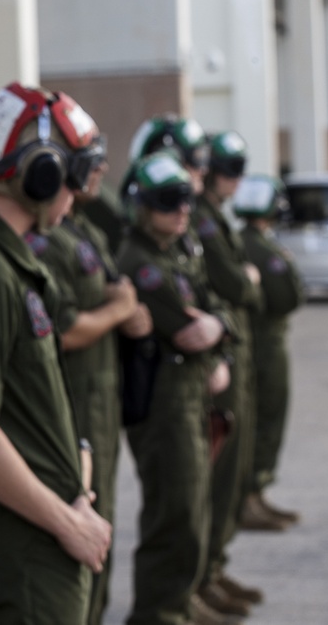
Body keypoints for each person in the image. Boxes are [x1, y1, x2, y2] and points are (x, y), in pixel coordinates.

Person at [0, 81, 112, 624]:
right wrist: (67, 521)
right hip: (22, 550)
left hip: (35, 541)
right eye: (73, 178)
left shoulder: (5, 261)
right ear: (42, 173)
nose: (76, 196)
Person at [34, 134, 153, 624]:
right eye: (90, 163)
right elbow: (65, 330)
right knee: (76, 542)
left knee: (102, 531)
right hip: (75, 407)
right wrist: (120, 309)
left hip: (101, 404)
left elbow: (113, 295)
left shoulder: (82, 230)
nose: (101, 170)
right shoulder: (44, 240)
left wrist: (123, 310)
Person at [115, 152, 234, 625]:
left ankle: (180, 603)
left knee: (193, 508)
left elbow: (217, 309)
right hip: (164, 404)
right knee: (174, 514)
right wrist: (215, 331)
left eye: (186, 200)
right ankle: (159, 613)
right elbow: (183, 325)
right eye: (169, 202)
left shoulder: (177, 251)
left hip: (188, 397)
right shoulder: (140, 262)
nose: (183, 211)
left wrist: (220, 329)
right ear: (143, 206)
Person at [192, 131, 266, 619]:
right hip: (203, 366)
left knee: (231, 470)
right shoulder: (201, 219)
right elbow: (236, 282)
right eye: (226, 168)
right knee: (204, 485)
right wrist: (248, 280)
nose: (233, 179)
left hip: (228, 347)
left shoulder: (214, 218)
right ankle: (199, 579)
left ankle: (212, 569)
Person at [232, 175, 305, 531]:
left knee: (259, 419)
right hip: (266, 344)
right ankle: (250, 494)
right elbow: (288, 298)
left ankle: (255, 495)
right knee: (266, 418)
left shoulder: (238, 241)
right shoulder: (263, 249)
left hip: (255, 343)